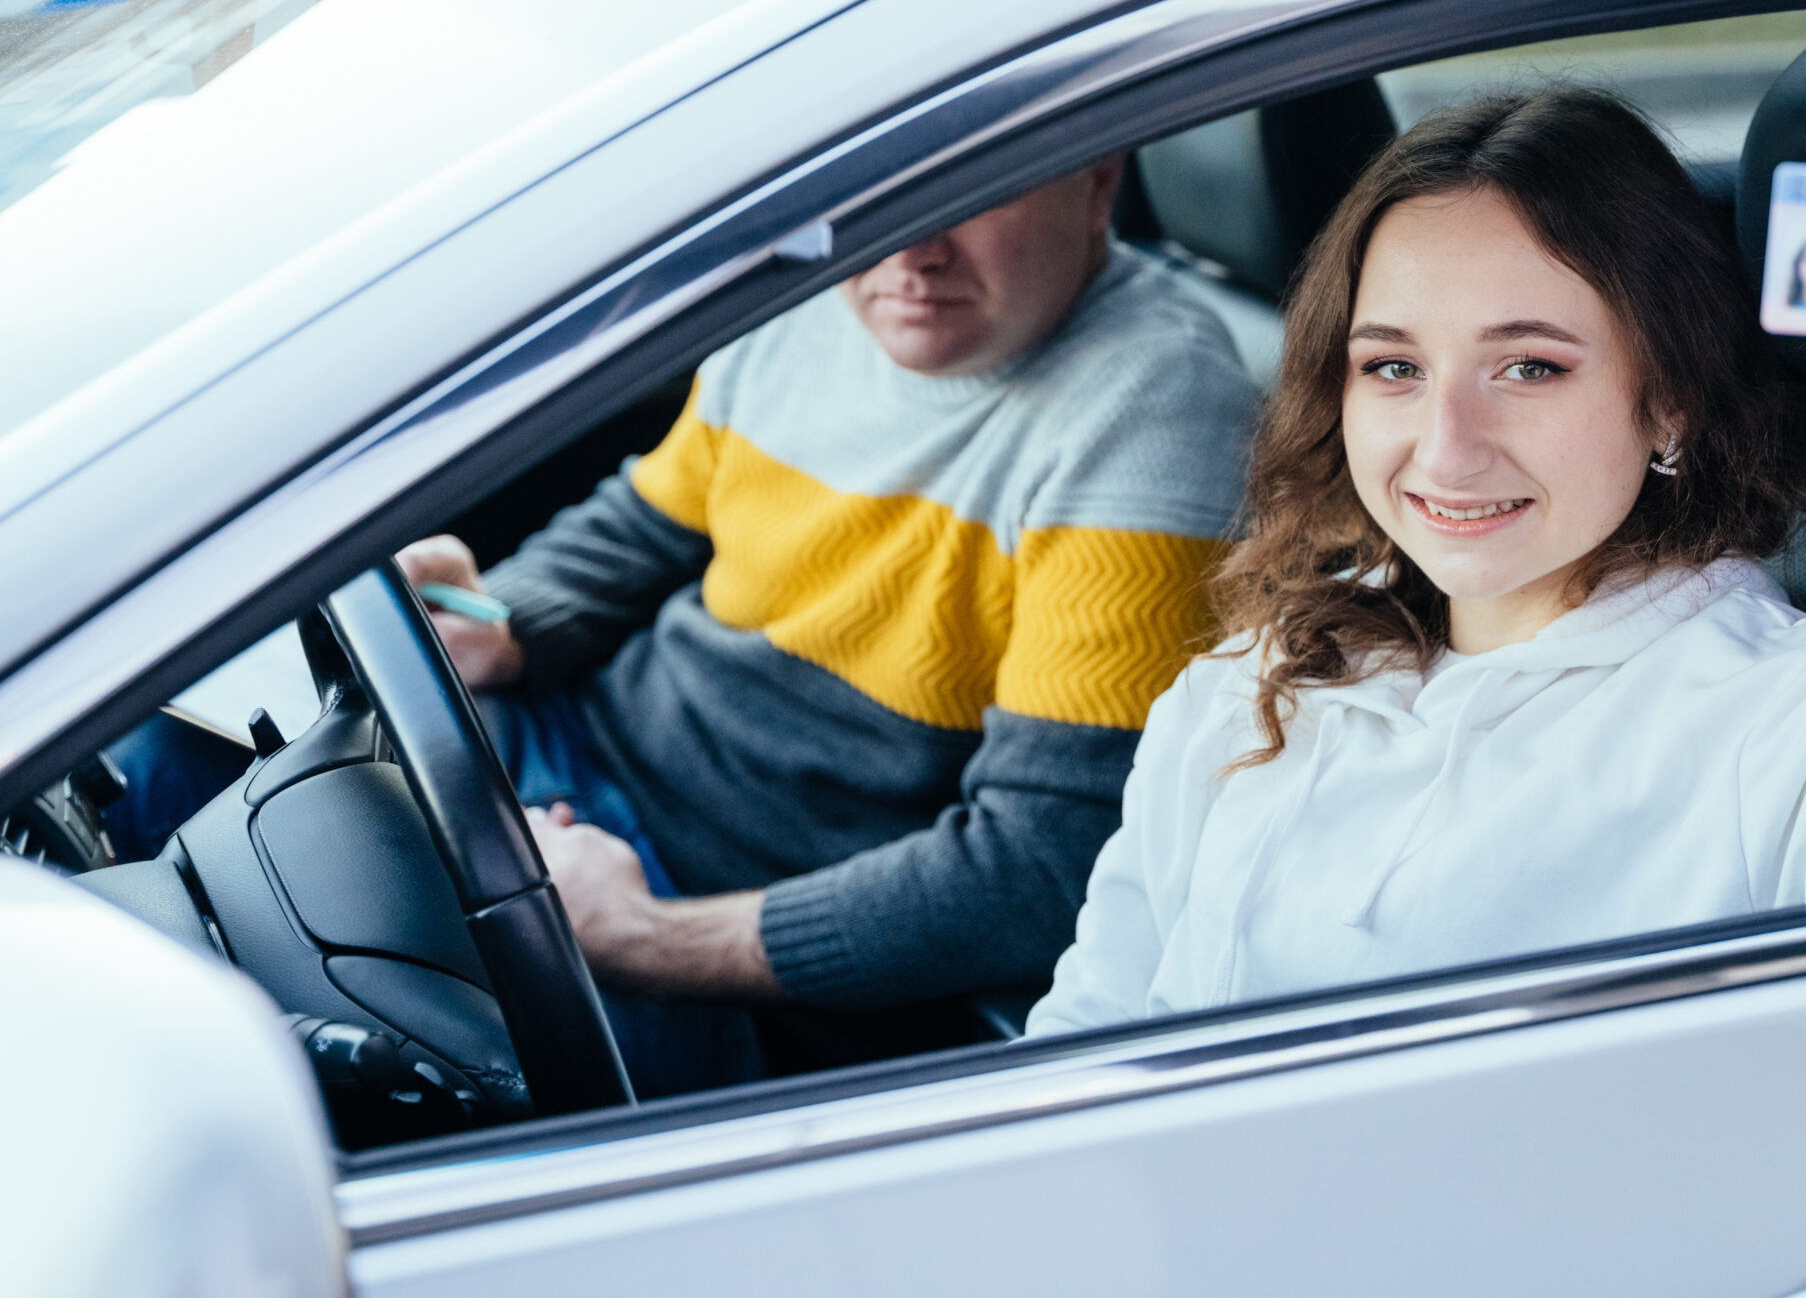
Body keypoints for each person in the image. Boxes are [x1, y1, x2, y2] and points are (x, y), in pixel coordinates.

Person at [1027, 82, 1806, 1035]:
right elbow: (1088, 1036)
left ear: (1669, 400)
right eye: (1394, 367)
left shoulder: (1774, 722)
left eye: (1530, 367)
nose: (1443, 449)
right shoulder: (1266, 666)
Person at [402, 156, 1258, 1088]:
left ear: (1099, 178)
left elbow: (1037, 869)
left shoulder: (1158, 409)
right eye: (879, 185)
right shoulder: (809, 298)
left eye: (978, 185)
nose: (911, 248)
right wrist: (508, 620)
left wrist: (644, 937)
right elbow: (645, 523)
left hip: (731, 939)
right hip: (569, 760)